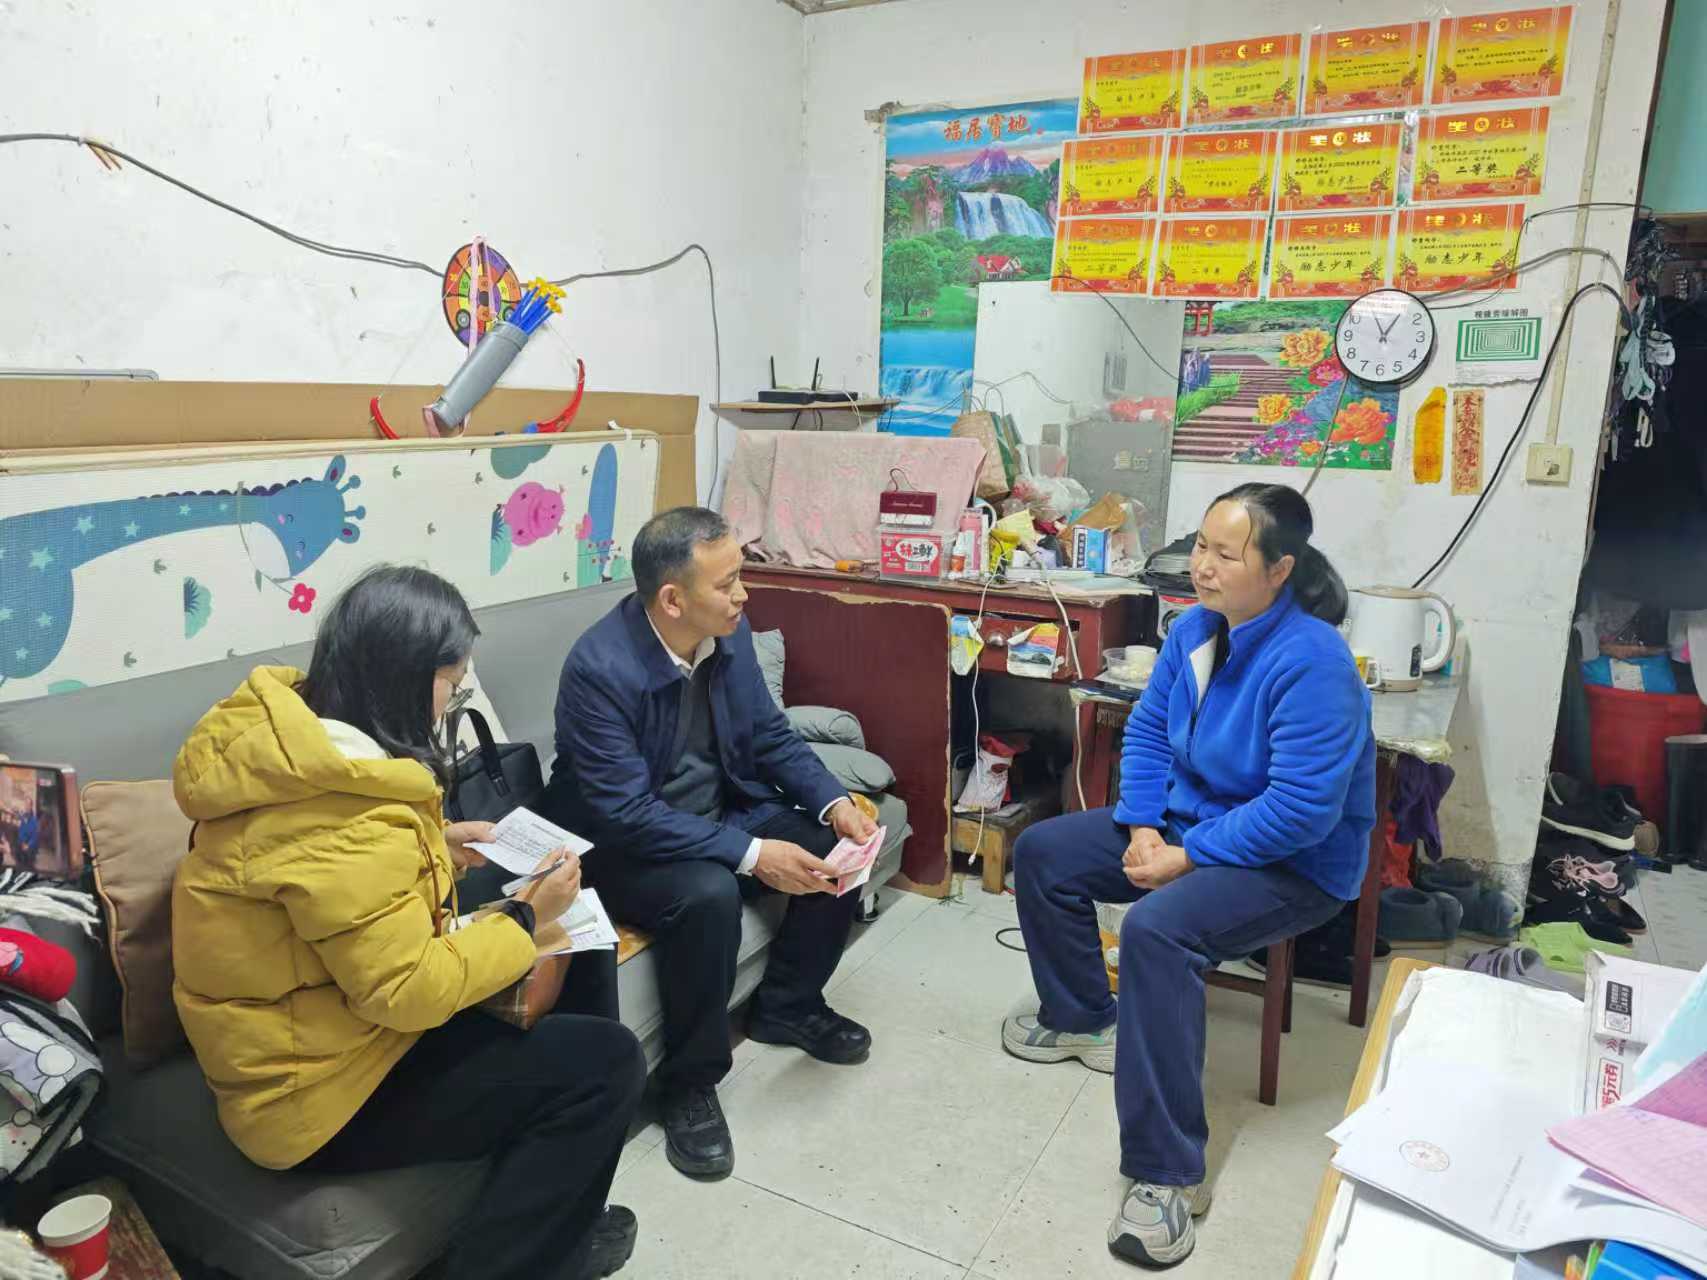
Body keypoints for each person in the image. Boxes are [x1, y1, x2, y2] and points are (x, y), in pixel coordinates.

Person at [171, 565, 644, 1280]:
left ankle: (567, 1218)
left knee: (582, 937)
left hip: (336, 1028)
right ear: (402, 678)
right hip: (318, 1095)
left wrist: (440, 849)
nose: (452, 702)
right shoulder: (341, 814)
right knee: (606, 1066)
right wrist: (523, 917)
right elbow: (405, 991)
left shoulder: (300, 748)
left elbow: (333, 900)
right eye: (452, 685)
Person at [1000, 483, 1374, 1269]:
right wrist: (1142, 825)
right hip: (1186, 824)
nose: (1202, 566)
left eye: (1224, 554)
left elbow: (1302, 812)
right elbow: (1144, 733)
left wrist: (1187, 854)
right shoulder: (1196, 630)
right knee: (1043, 854)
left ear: (1278, 569)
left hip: (1292, 861)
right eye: (1200, 546)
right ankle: (1082, 1016)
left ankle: (1166, 1174)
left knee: (1157, 932)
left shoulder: (1313, 661)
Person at [547, 507, 878, 1182]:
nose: (743, 595)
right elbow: (625, 812)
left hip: (719, 809)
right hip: (622, 843)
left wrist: (835, 801)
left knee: (829, 847)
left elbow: (769, 734)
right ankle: (689, 1084)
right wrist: (753, 854)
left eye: (740, 576)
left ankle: (788, 1005)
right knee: (708, 893)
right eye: (727, 584)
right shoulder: (599, 668)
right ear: (673, 599)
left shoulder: (727, 633)